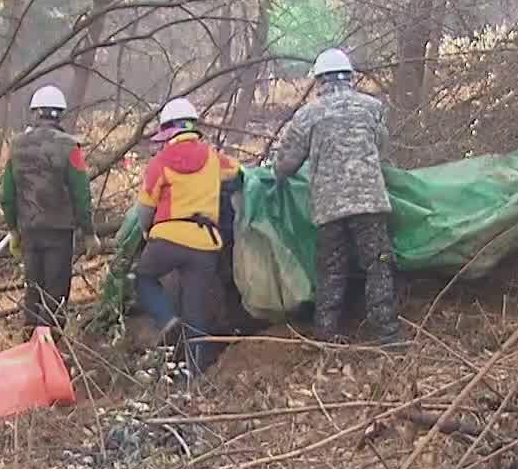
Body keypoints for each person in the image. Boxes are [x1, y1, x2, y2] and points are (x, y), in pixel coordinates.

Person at [273, 48, 406, 346]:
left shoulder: (309, 115)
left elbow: (284, 165)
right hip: (370, 202)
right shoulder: (372, 107)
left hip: (329, 208)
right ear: (350, 77)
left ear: (319, 80)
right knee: (378, 261)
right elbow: (383, 150)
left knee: (331, 268)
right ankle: (387, 332)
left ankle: (327, 334)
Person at [129, 97, 243, 378]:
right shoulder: (213, 157)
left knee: (143, 278)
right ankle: (194, 375)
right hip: (205, 244)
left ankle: (167, 320)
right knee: (197, 313)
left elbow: (144, 208)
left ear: (167, 132)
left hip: (166, 238)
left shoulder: (160, 162)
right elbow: (239, 173)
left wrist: (147, 233)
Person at [0, 85, 97, 329]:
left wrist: (13, 230)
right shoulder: (70, 147)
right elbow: (81, 193)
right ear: (60, 114)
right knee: (55, 296)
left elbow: (6, 195)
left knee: (33, 292)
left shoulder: (16, 146)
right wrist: (89, 233)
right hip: (60, 233)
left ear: (35, 112)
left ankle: (30, 349)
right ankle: (51, 351)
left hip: (29, 231)